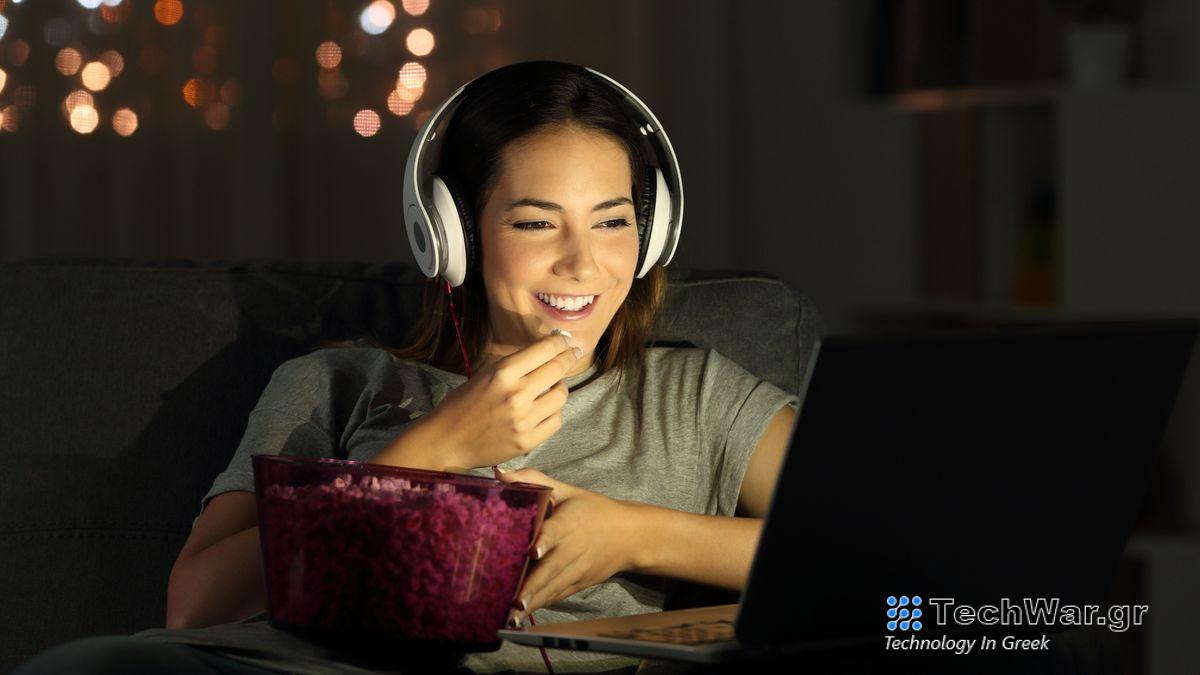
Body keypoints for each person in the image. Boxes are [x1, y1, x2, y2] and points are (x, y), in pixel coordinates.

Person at [13, 61, 803, 675]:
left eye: (612, 221)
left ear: (652, 229)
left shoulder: (697, 397)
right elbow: (196, 607)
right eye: (535, 221)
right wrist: (428, 452)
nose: (582, 262)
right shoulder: (336, 383)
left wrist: (635, 534)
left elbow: (881, 560)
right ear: (451, 231)